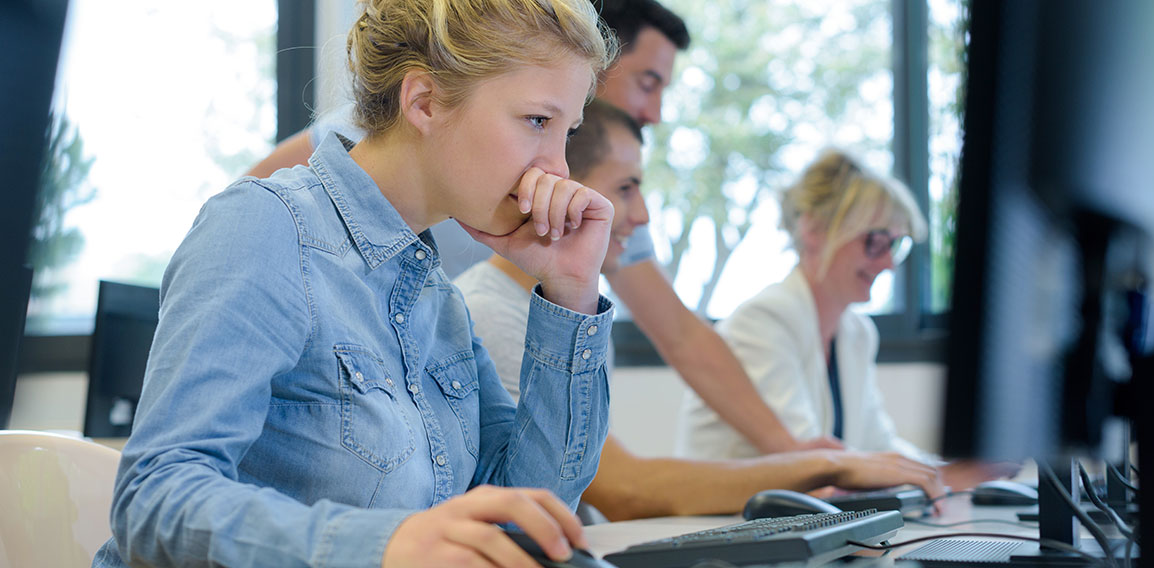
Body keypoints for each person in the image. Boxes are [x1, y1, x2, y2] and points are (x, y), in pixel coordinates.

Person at [94, 1, 619, 566]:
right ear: (425, 101)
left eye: (566, 131)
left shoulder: (434, 294)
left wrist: (570, 291)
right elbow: (152, 499)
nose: (560, 169)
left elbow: (529, 513)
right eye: (538, 121)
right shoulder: (266, 227)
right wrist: (384, 545)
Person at [247, 0, 839, 456]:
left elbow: (681, 333)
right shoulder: (392, 128)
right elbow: (257, 219)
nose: (655, 111)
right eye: (647, 82)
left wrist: (793, 453)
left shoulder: (588, 197)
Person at [455, 101, 946, 521]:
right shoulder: (492, 312)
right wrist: (826, 465)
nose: (644, 215)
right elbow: (622, 489)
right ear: (561, 184)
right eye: (627, 188)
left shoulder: (567, 312)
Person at [674, 149, 1017, 490]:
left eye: (896, 246)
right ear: (814, 230)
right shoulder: (764, 320)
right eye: (876, 242)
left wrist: (947, 471)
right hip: (728, 526)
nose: (889, 264)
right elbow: (810, 460)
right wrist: (942, 477)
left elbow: (878, 445)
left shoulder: (856, 333)